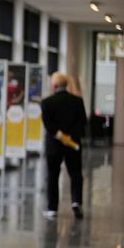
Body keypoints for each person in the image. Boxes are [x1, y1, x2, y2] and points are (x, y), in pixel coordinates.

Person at [41, 72, 87, 220]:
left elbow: (48, 125)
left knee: (53, 176)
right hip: (73, 145)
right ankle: (76, 201)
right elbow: (82, 123)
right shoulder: (77, 101)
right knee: (75, 174)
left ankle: (52, 209)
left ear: (54, 86)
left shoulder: (47, 102)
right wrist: (70, 137)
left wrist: (60, 135)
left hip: (54, 145)